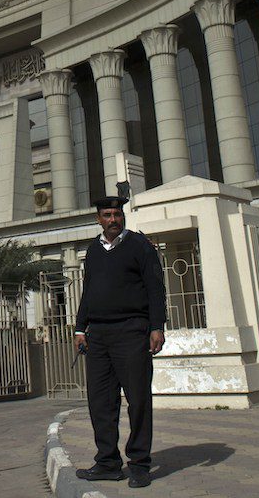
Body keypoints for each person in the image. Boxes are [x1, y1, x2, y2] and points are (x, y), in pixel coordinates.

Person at [73, 195, 167, 489]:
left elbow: (155, 288)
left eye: (116, 214)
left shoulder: (140, 246)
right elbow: (87, 291)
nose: (112, 220)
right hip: (98, 336)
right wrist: (79, 328)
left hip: (132, 331)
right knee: (101, 401)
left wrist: (156, 327)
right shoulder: (93, 250)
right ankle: (108, 463)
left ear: (122, 216)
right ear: (98, 219)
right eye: (107, 215)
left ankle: (139, 464)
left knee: (138, 399)